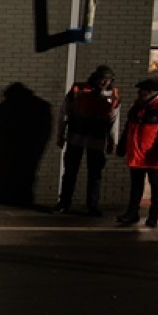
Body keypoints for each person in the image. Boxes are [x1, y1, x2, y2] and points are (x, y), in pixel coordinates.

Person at [53, 65, 120, 216]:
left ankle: (92, 206)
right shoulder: (78, 90)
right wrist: (60, 134)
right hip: (77, 136)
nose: (104, 82)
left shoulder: (113, 95)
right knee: (70, 172)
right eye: (102, 79)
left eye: (108, 80)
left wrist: (112, 140)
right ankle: (64, 203)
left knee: (95, 174)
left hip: (96, 138)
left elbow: (114, 120)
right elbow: (64, 112)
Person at [115, 73, 158, 227]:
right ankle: (132, 213)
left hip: (153, 155)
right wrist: (122, 147)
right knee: (136, 186)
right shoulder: (138, 107)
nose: (141, 94)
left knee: (156, 186)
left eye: (144, 91)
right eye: (141, 91)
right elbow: (128, 129)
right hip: (137, 153)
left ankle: (153, 215)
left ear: (154, 92)